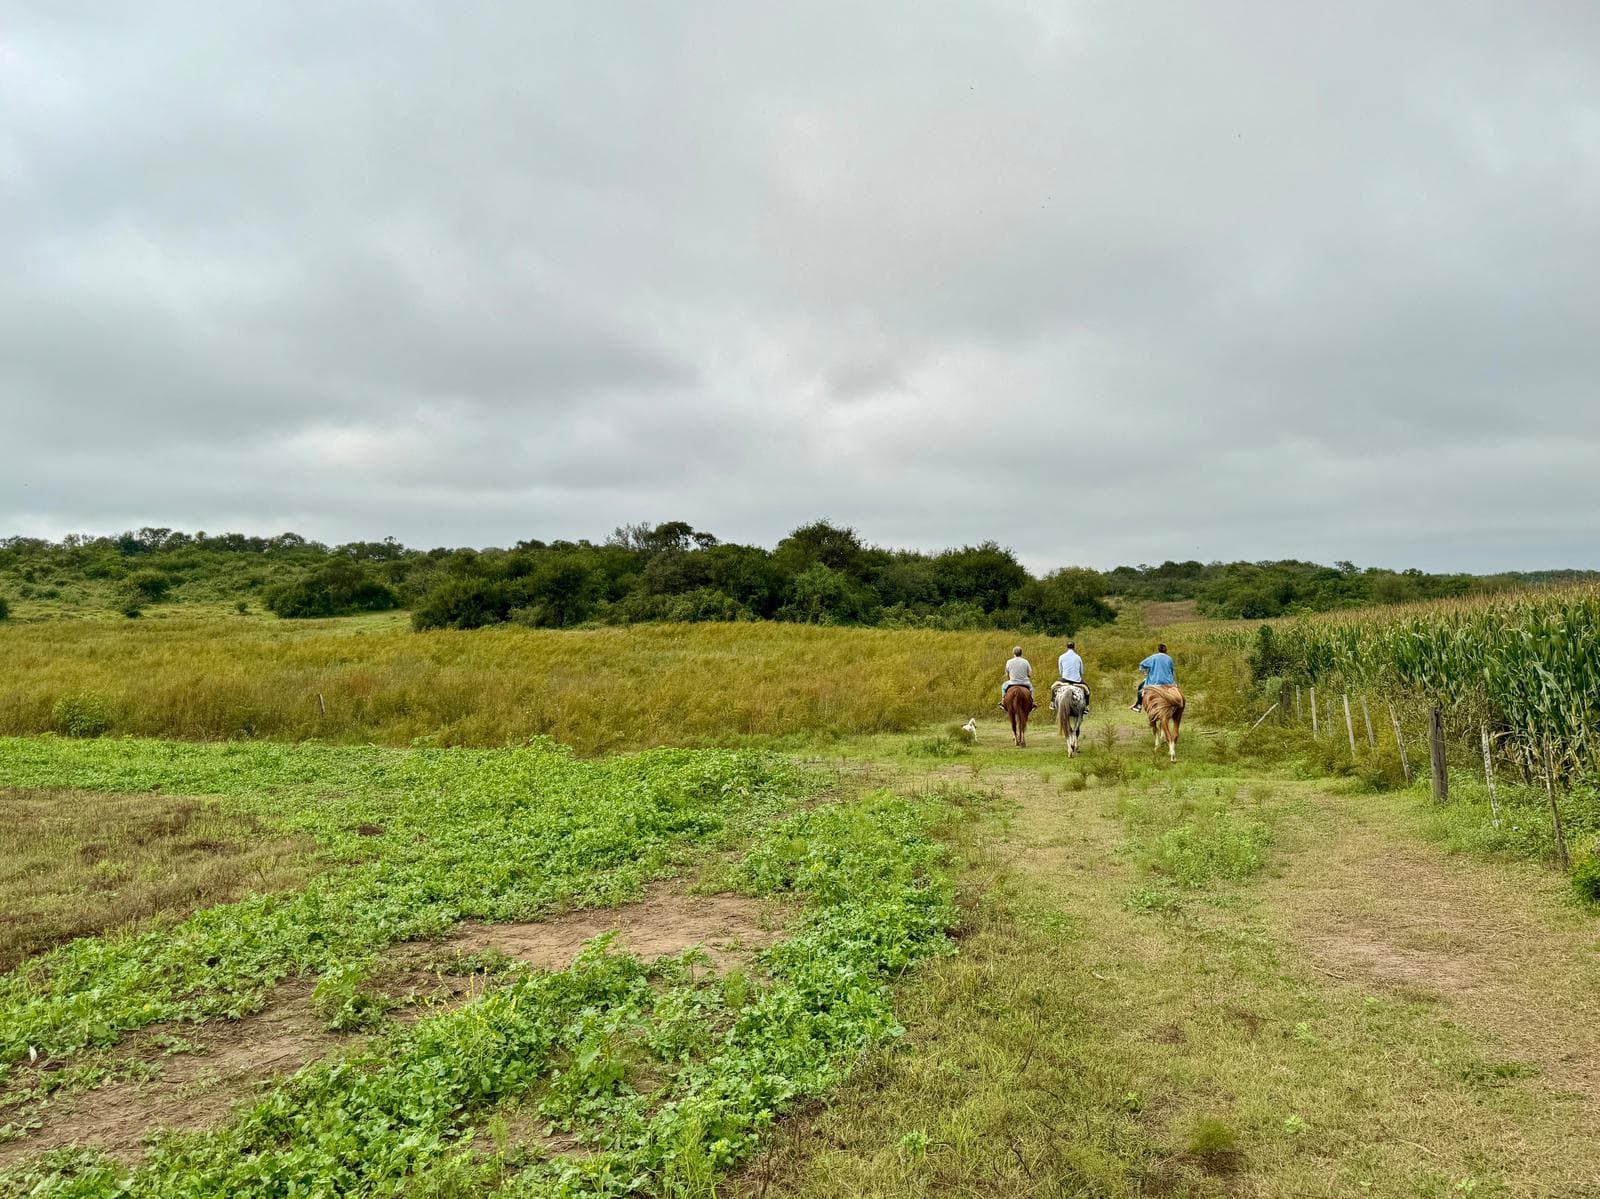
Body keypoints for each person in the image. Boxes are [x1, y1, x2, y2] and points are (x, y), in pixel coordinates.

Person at [1132, 643, 1175, 711]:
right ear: (1166, 650)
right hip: (1168, 682)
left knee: (1140, 686)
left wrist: (1146, 672)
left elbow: (1142, 665)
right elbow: (1172, 671)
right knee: (1176, 691)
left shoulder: (1153, 657)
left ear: (1158, 649)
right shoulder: (1170, 658)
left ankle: (1139, 705)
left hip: (1154, 681)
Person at [1051, 641, 1090, 712]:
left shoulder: (1061, 657)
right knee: (1087, 689)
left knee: (1053, 687)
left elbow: (1060, 671)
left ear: (1067, 647)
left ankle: (1052, 703)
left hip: (1064, 679)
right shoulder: (1078, 657)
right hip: (1077, 680)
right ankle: (1086, 706)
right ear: (1074, 647)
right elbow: (1081, 671)